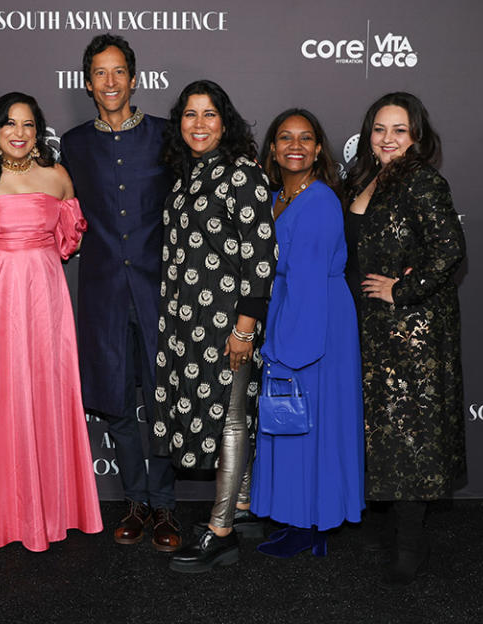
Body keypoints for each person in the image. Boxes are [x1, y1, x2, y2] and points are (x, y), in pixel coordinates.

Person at [0, 92, 102, 551]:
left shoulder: (57, 177)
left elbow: (66, 240)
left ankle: (54, 509)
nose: (19, 132)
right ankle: (4, 514)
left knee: (48, 391)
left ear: (38, 133)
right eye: (10, 124)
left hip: (44, 297)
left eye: (28, 124)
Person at [60, 34, 180, 551]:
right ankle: (136, 501)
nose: (110, 82)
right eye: (99, 74)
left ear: (134, 79)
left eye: (118, 72)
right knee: (119, 404)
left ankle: (167, 507)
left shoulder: (165, 137)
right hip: (104, 292)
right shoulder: (74, 144)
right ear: (88, 84)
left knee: (163, 400)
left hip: (160, 291)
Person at [152, 80, 277, 573]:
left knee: (229, 417)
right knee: (233, 412)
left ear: (225, 122)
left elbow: (261, 256)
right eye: (189, 114)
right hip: (190, 323)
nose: (198, 124)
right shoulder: (187, 177)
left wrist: (245, 327)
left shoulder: (241, 174)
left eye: (209, 114)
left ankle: (220, 531)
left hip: (228, 322)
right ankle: (242, 506)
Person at [345, 92, 466, 585]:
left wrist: (404, 289)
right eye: (379, 128)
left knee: (410, 437)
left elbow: (450, 249)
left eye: (399, 129)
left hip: (410, 334)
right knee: (384, 434)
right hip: (369, 329)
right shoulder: (364, 178)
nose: (388, 138)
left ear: (416, 135)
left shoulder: (421, 180)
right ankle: (391, 528)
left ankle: (411, 544)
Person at [248, 109, 365, 558]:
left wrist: (290, 349)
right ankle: (298, 517)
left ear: (318, 149)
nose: (294, 146)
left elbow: (310, 280)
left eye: (305, 138)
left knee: (309, 422)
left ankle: (314, 524)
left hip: (314, 323)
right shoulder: (279, 195)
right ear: (273, 149)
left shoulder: (318, 201)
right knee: (292, 422)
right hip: (291, 312)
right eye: (284, 138)